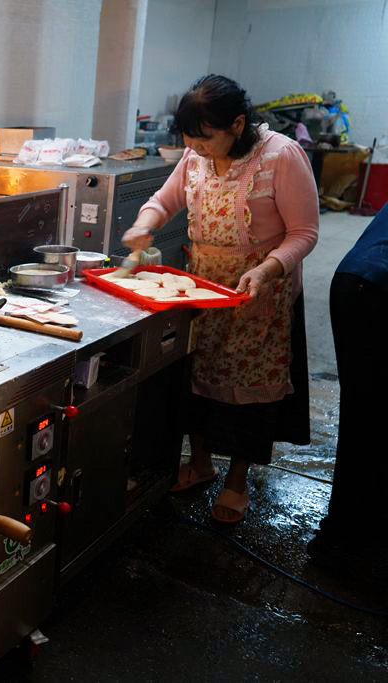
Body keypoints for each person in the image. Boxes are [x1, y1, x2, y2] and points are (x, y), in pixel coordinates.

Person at [123, 75, 319, 523]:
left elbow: (304, 233)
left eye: (204, 137)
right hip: (205, 286)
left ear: (237, 124)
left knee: (248, 391)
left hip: (260, 292)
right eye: (189, 139)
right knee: (198, 377)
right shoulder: (196, 155)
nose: (196, 147)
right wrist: (145, 222)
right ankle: (202, 462)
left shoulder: (281, 156)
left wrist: (267, 269)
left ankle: (237, 480)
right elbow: (164, 199)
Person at [307, 204, 388, 581]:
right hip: (375, 290)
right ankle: (348, 546)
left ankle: (343, 539)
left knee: (363, 419)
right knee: (370, 420)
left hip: (355, 280)